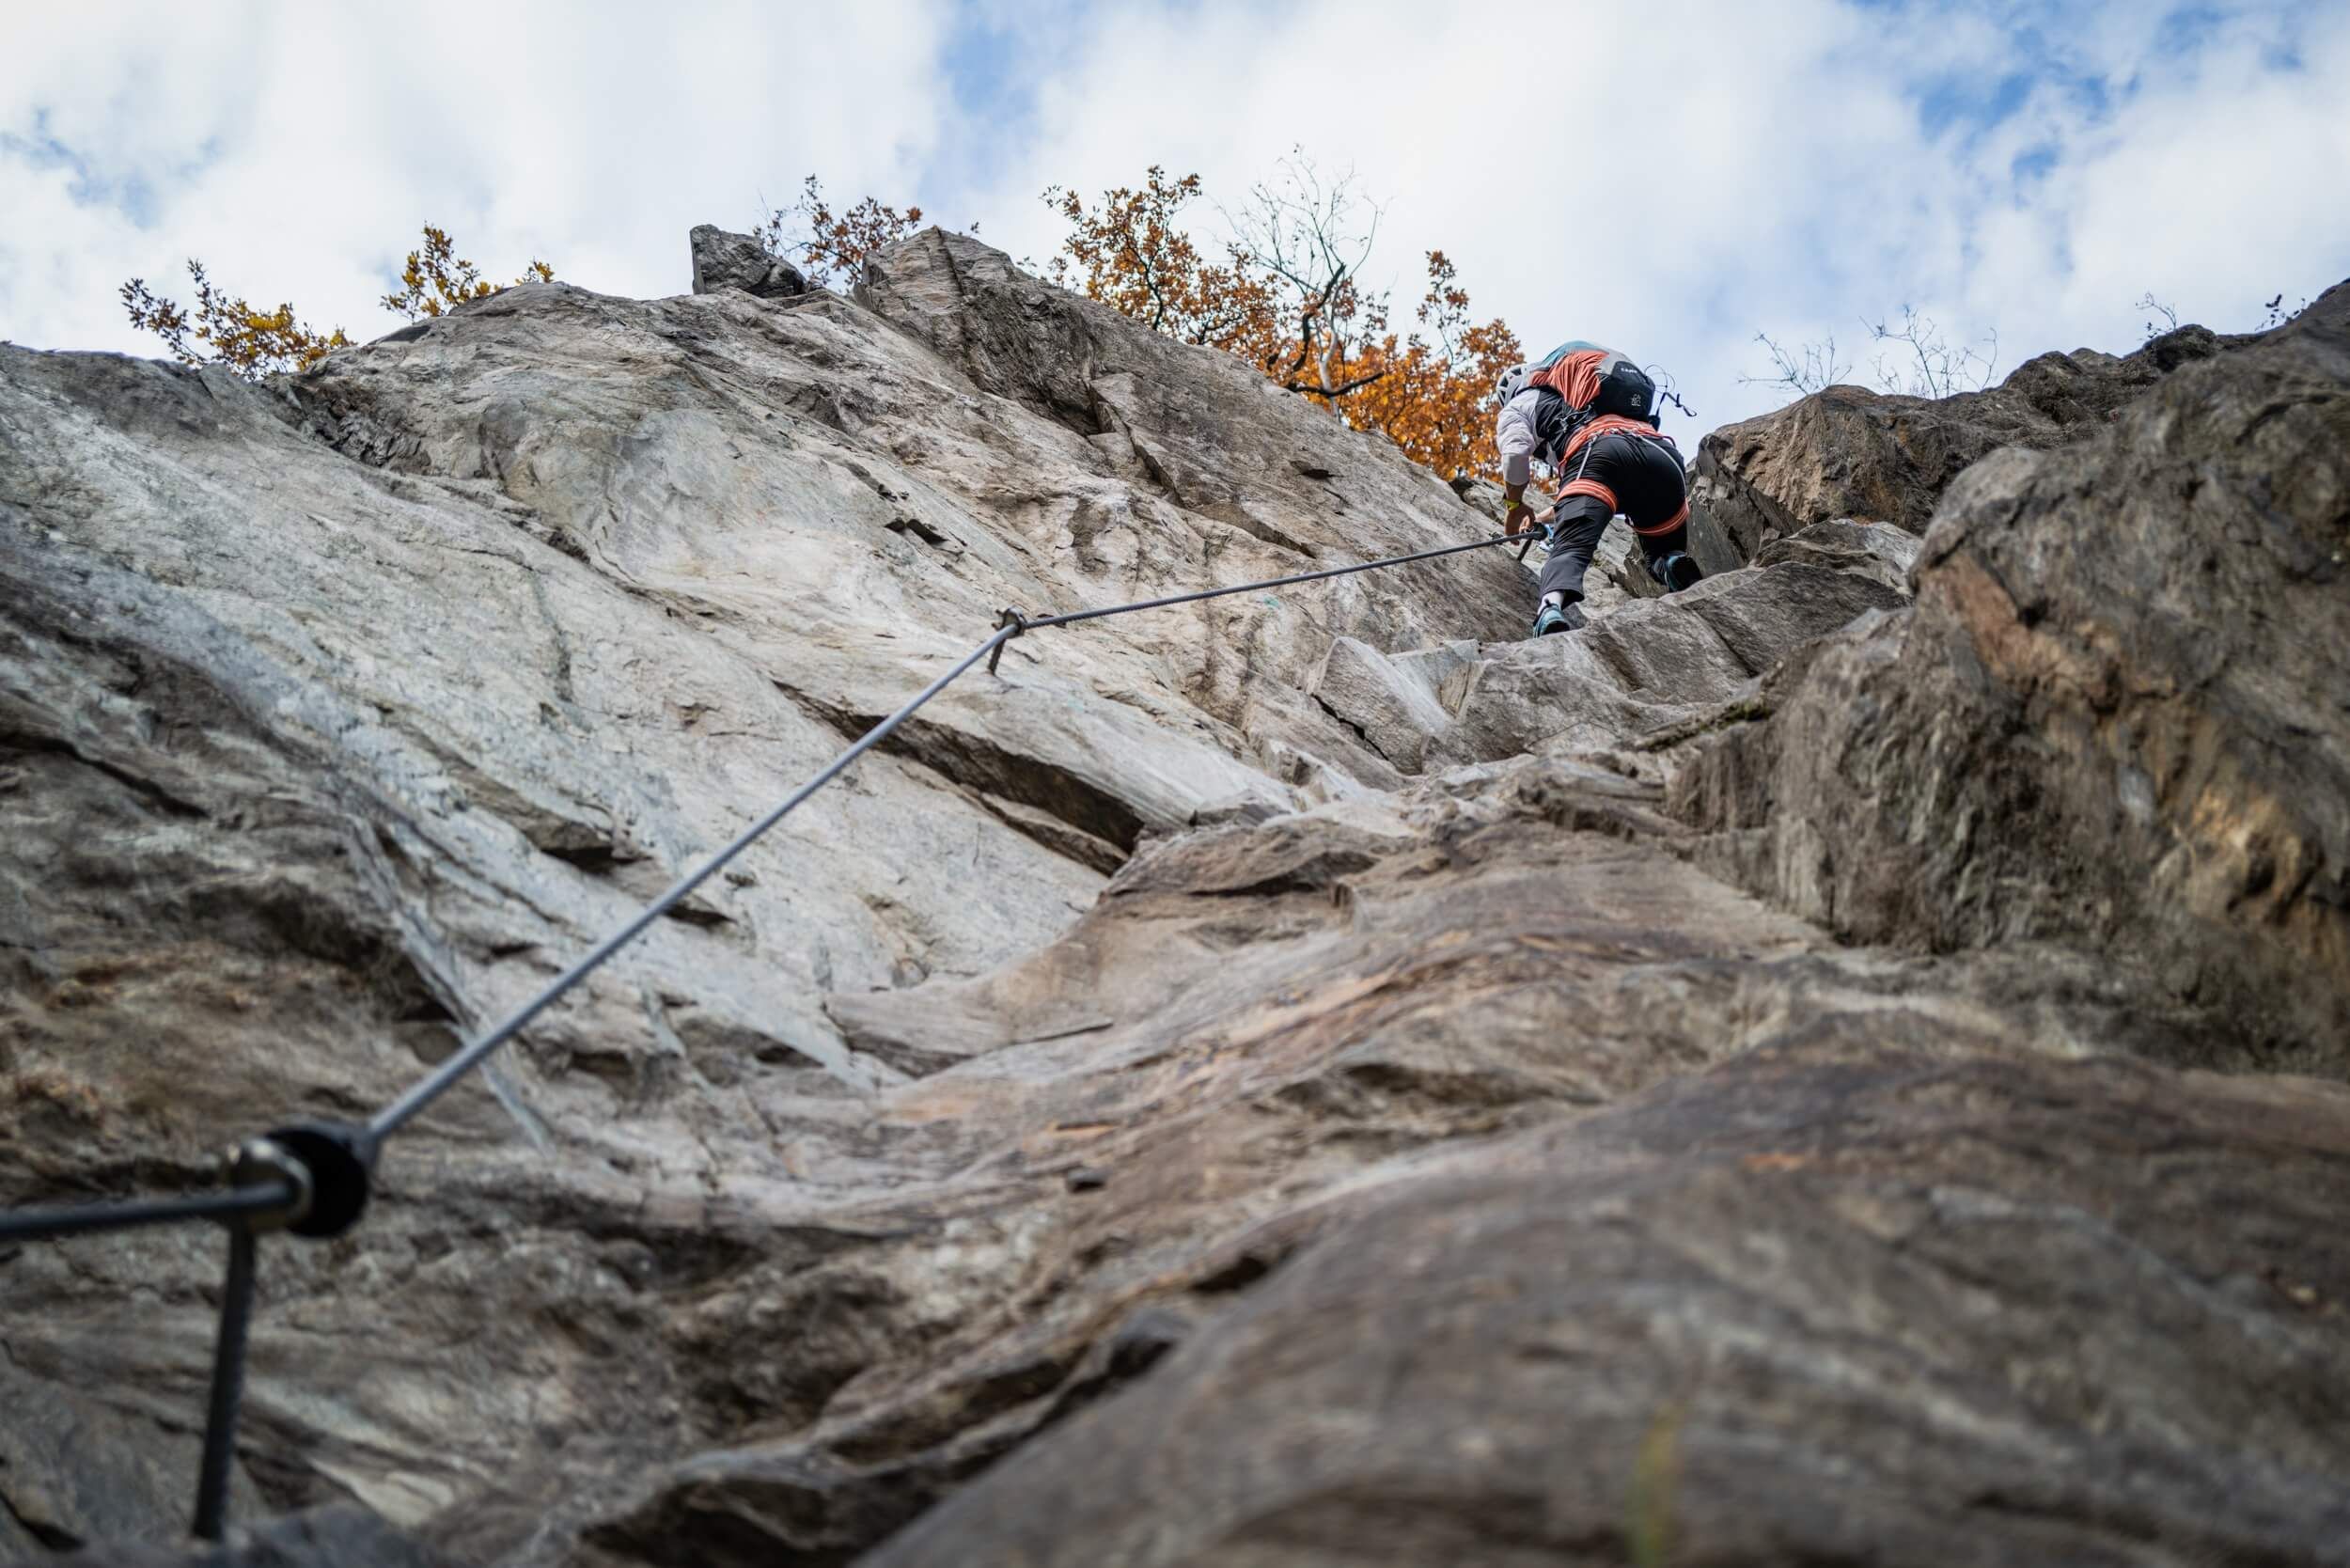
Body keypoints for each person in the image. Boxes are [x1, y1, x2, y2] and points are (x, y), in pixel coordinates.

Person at [1494, 342, 1703, 635]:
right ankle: (1671, 563)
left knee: (1571, 547)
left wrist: (1514, 506)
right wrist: (1548, 516)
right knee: (1661, 550)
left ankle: (1550, 608)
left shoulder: (1520, 404)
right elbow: (1601, 482)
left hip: (1598, 453)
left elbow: (1515, 454)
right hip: (1664, 458)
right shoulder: (1583, 395)